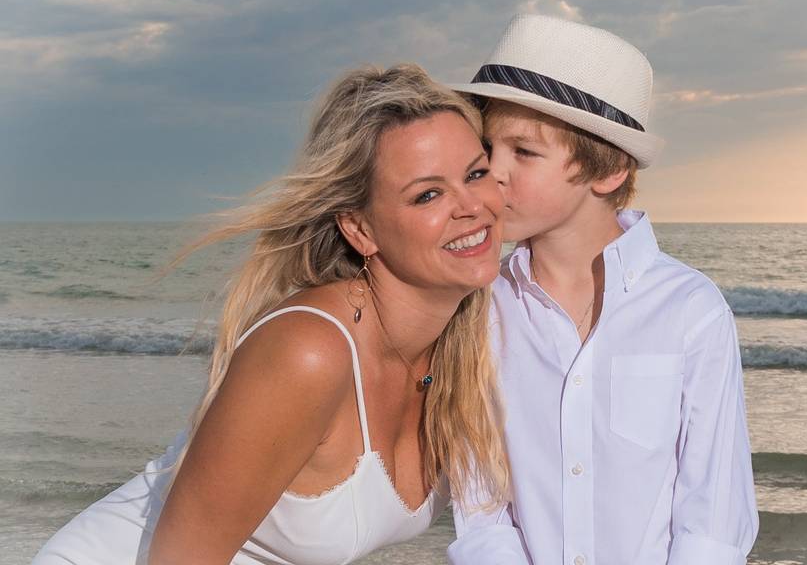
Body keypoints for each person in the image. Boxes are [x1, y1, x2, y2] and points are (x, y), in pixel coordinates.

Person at [32, 64, 510, 565]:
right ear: (360, 229)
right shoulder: (309, 351)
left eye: (476, 173)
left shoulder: (465, 342)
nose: (471, 206)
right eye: (427, 194)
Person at [447, 14, 759, 564]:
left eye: (524, 152)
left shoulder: (690, 311)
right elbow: (480, 507)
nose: (493, 173)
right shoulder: (480, 310)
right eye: (487, 149)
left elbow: (714, 515)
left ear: (608, 168)